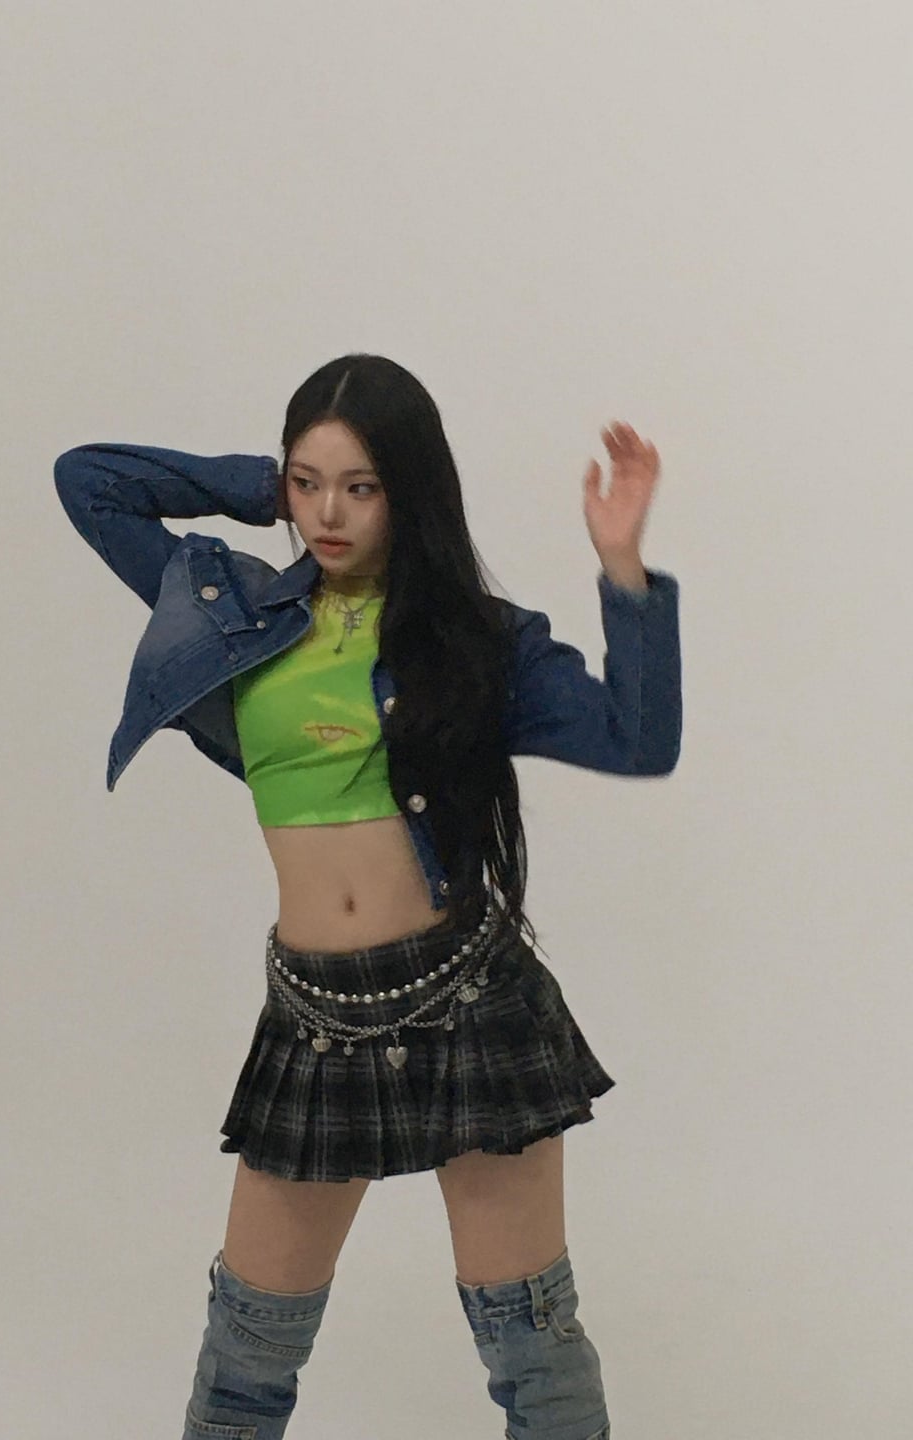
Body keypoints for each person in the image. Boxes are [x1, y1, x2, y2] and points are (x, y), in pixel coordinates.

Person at [53, 353, 681, 1440]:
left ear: (410, 491)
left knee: (531, 1348)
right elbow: (89, 481)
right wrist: (262, 485)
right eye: (309, 485)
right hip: (316, 1021)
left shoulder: (477, 642)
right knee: (246, 1354)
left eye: (362, 487)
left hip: (472, 1004)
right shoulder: (230, 610)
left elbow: (638, 738)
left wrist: (623, 571)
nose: (328, 514)